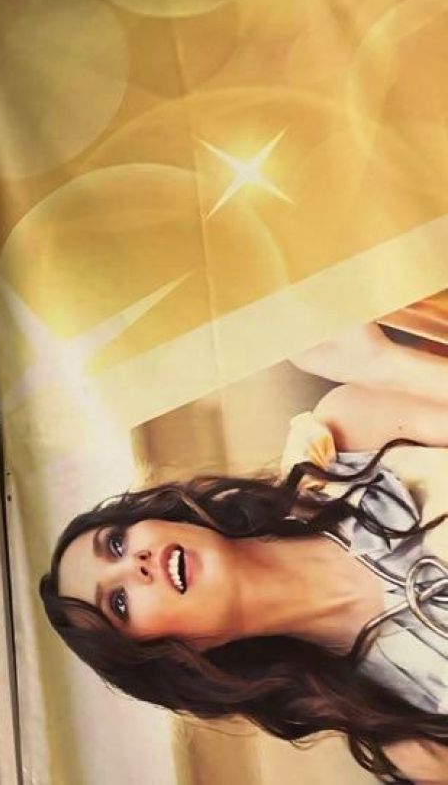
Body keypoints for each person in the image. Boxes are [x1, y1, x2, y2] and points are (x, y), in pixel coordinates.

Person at [41, 322, 448, 783]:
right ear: (175, 657)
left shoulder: (345, 444)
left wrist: (383, 364)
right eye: (119, 602)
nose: (136, 564)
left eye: (117, 543)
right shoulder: (406, 735)